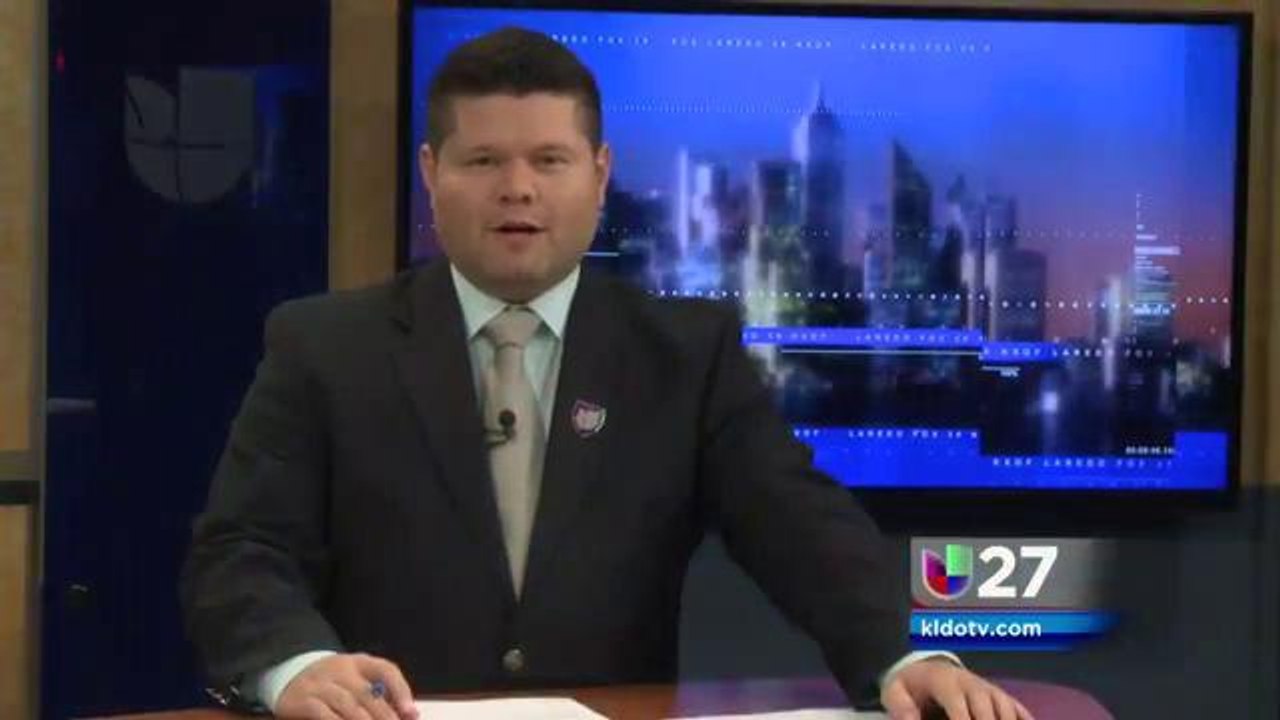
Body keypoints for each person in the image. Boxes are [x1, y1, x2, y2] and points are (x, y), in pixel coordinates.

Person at [181, 27, 1032, 720]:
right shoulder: (327, 346)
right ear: (431, 175)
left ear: (599, 174)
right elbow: (242, 552)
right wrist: (297, 665)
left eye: (549, 160)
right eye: (483, 161)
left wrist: (902, 657)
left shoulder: (684, 354)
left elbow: (800, 527)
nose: (517, 189)